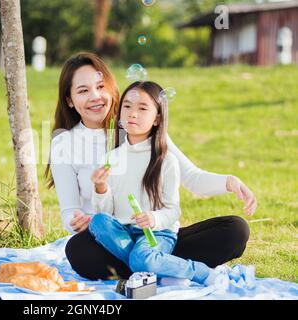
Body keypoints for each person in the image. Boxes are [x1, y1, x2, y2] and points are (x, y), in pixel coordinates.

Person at [45, 52, 256, 280]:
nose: (96, 96)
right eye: (83, 90)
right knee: (78, 250)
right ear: (69, 99)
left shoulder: (139, 127)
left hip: (155, 234)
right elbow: (69, 212)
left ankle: (151, 263)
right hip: (110, 239)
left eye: (100, 86)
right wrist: (76, 221)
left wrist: (228, 181)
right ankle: (160, 266)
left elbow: (192, 178)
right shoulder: (64, 143)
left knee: (235, 230)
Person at [89, 80, 229, 285]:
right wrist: (100, 188)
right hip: (124, 232)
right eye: (127, 106)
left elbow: (173, 211)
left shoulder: (166, 160)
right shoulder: (111, 158)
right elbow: (106, 212)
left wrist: (153, 218)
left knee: (141, 257)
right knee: (98, 222)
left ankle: (200, 272)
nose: (132, 113)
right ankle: (160, 271)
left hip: (157, 232)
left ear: (157, 119)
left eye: (142, 108)